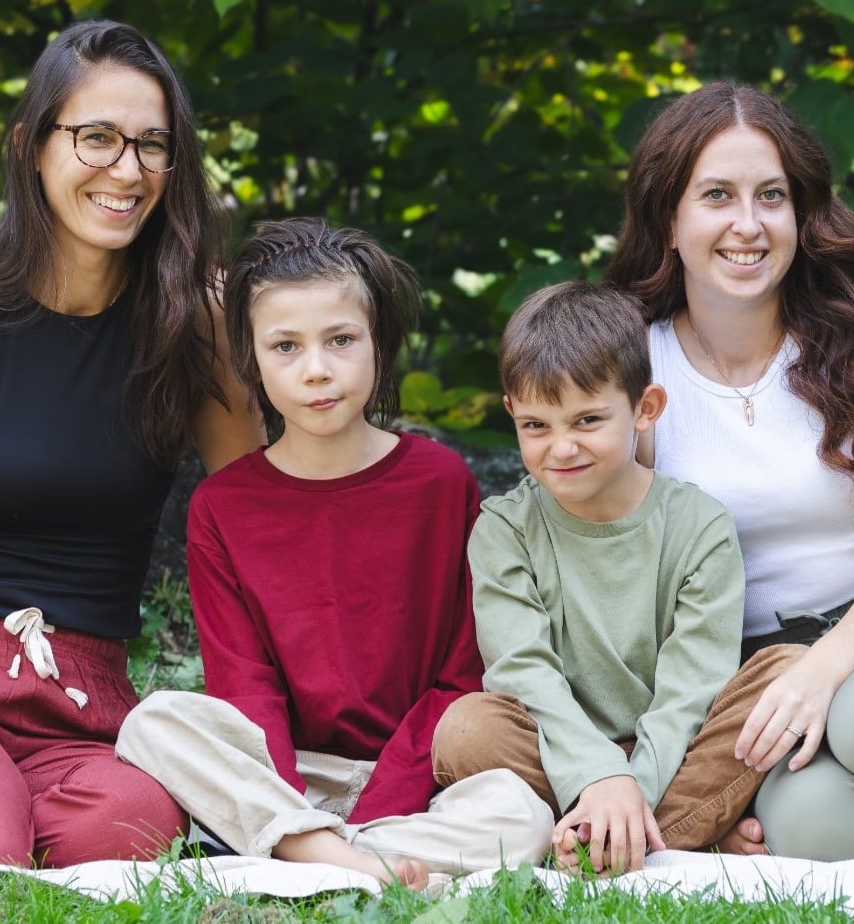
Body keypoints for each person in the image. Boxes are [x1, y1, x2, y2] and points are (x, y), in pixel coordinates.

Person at [0, 20, 263, 883]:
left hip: (85, 698)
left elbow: (256, 519)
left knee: (130, 831)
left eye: (152, 146)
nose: (126, 171)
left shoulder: (195, 321)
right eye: (96, 137)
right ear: (30, 145)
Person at [116, 217, 553, 887]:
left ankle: (323, 857)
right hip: (289, 775)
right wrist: (292, 802)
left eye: (342, 340)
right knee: (154, 722)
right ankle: (337, 854)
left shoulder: (440, 483)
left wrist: (383, 799)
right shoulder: (223, 507)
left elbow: (461, 671)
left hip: (419, 776)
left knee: (520, 813)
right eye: (285, 346)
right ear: (251, 360)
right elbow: (244, 688)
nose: (317, 370)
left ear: (379, 343)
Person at [604, 81, 854, 860]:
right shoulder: (631, 369)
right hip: (750, 686)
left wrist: (823, 673)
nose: (748, 224)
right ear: (668, 219)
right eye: (717, 196)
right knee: (804, 827)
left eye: (771, 196)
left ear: (801, 216)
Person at [431, 280, 791, 874]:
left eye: (588, 420)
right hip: (554, 747)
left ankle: (598, 837)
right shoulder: (505, 528)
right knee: (466, 729)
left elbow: (692, 690)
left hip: (677, 748)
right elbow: (524, 672)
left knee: (787, 672)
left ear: (645, 409)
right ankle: (676, 831)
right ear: (511, 415)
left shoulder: (700, 525)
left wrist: (630, 784)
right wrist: (595, 774)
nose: (561, 447)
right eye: (536, 426)